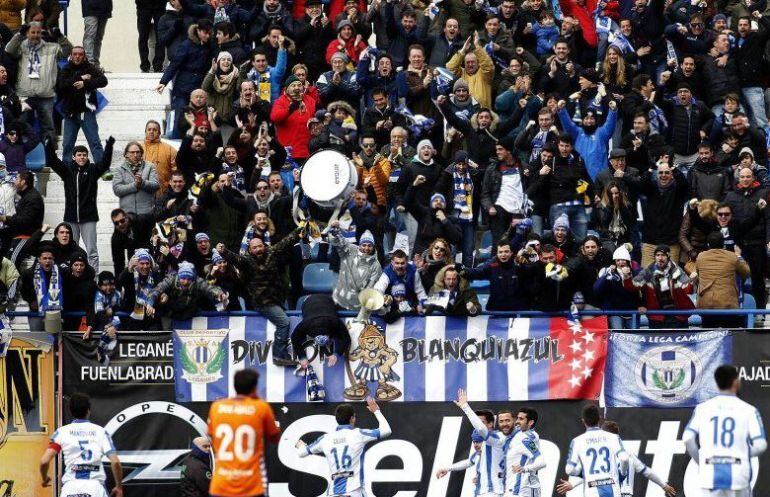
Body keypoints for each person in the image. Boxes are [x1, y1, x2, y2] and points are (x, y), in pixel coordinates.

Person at [215, 228, 301, 366]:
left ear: (264, 246)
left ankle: (283, 353)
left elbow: (286, 242)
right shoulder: (247, 261)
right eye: (254, 247)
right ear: (250, 249)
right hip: (262, 302)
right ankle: (278, 356)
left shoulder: (271, 252)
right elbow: (235, 258)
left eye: (260, 246)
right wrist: (223, 251)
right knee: (284, 322)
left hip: (277, 299)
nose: (258, 249)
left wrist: (300, 230)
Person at [682, 365, 766, 497]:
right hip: (738, 476)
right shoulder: (749, 410)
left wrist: (701, 462)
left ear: (717, 383)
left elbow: (687, 438)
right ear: (735, 382)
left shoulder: (703, 409)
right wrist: (742, 452)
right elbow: (761, 445)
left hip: (710, 477)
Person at [455, 388, 544, 497]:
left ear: (530, 422)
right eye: (501, 421)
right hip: (510, 490)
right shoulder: (507, 438)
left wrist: (465, 407)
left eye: (520, 419)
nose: (517, 422)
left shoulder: (527, 437)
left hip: (526, 489)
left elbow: (541, 461)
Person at [296, 398, 391, 497]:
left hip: (333, 493)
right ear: (352, 418)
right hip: (354, 492)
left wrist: (301, 446)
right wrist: (377, 411)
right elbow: (386, 430)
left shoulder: (325, 439)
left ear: (337, 419)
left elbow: (301, 452)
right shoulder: (358, 434)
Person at [208, 368, 281, 497]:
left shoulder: (216, 407)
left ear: (235, 386)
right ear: (254, 388)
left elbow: (211, 435)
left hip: (221, 485)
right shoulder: (261, 407)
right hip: (251, 486)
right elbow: (274, 438)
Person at [45, 136, 114, 270]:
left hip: (89, 217)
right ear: (73, 157)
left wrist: (109, 147)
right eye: (79, 155)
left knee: (92, 251)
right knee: (71, 250)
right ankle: (72, 276)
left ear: (88, 157)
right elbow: (53, 162)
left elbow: (105, 163)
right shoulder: (67, 170)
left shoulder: (93, 170)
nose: (82, 157)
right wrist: (48, 145)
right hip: (71, 217)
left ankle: (93, 278)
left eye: (84, 155)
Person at [556, 420, 677, 497]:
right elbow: (647, 472)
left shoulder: (606, 453)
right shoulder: (629, 453)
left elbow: (594, 475)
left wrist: (573, 483)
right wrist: (664, 486)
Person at [39, 393, 123, 497]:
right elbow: (115, 462)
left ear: (71, 412)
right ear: (88, 411)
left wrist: (45, 478)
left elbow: (44, 461)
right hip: (95, 488)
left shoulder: (61, 432)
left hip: (70, 488)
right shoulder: (101, 432)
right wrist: (119, 487)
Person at [5, 21, 73, 144]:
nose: (35, 35)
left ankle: (50, 156)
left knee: (48, 128)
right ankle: (24, 155)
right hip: (25, 95)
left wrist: (61, 37)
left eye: (38, 32)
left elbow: (68, 51)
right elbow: (9, 50)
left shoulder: (51, 47)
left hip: (45, 94)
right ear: (27, 33)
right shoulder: (21, 47)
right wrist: (19, 35)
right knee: (23, 126)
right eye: (32, 32)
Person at [57, 46, 108, 164]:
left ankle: (102, 168)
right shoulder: (66, 69)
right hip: (70, 113)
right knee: (68, 143)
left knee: (94, 141)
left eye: (80, 54)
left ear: (84, 56)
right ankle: (66, 169)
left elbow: (103, 81)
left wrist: (85, 83)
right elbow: (62, 85)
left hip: (87, 112)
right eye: (75, 54)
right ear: (71, 55)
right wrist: (80, 78)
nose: (77, 56)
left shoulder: (90, 67)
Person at [625, 244, 694, 329]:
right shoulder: (647, 272)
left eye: (663, 255)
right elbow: (632, 287)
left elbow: (688, 290)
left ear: (668, 256)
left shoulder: (677, 271)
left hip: (677, 316)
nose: (660, 258)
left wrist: (691, 281)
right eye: (657, 255)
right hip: (656, 317)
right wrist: (627, 276)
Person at [566, 404, 628, 496]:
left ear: (583, 421)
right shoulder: (613, 437)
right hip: (613, 489)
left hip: (592, 490)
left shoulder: (577, 441)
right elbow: (624, 458)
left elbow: (569, 470)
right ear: (599, 418)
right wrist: (622, 473)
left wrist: (585, 473)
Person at [693, 232, 751, 329]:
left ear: (708, 244)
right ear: (723, 244)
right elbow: (746, 273)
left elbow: (697, 275)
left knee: (708, 339)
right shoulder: (732, 256)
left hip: (707, 305)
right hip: (728, 305)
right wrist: (739, 256)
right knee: (731, 336)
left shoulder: (701, 257)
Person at [329, 222, 382, 311]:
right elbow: (339, 242)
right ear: (359, 245)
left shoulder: (376, 265)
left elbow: (372, 286)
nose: (366, 248)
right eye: (364, 245)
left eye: (369, 246)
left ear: (373, 247)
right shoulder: (351, 250)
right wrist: (335, 233)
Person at [291, 294, 351, 369]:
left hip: (325, 300)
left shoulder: (334, 321)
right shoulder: (306, 324)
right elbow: (346, 338)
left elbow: (346, 338)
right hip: (312, 302)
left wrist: (336, 354)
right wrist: (302, 357)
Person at [112, 142, 160, 215]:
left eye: (138, 152)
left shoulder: (150, 166)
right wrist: (134, 185)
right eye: (132, 152)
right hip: (127, 213)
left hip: (147, 212)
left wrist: (142, 183)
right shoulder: (119, 169)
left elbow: (156, 185)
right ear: (126, 154)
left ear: (141, 153)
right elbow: (117, 190)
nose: (135, 155)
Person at [136, 0, 166, 73]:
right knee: (143, 36)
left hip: (159, 6)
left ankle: (158, 66)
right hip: (143, 6)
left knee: (160, 36)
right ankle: (144, 66)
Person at [81, 0, 111, 69]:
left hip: (105, 7)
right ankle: (89, 64)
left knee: (99, 37)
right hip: (90, 7)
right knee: (90, 36)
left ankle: (96, 64)